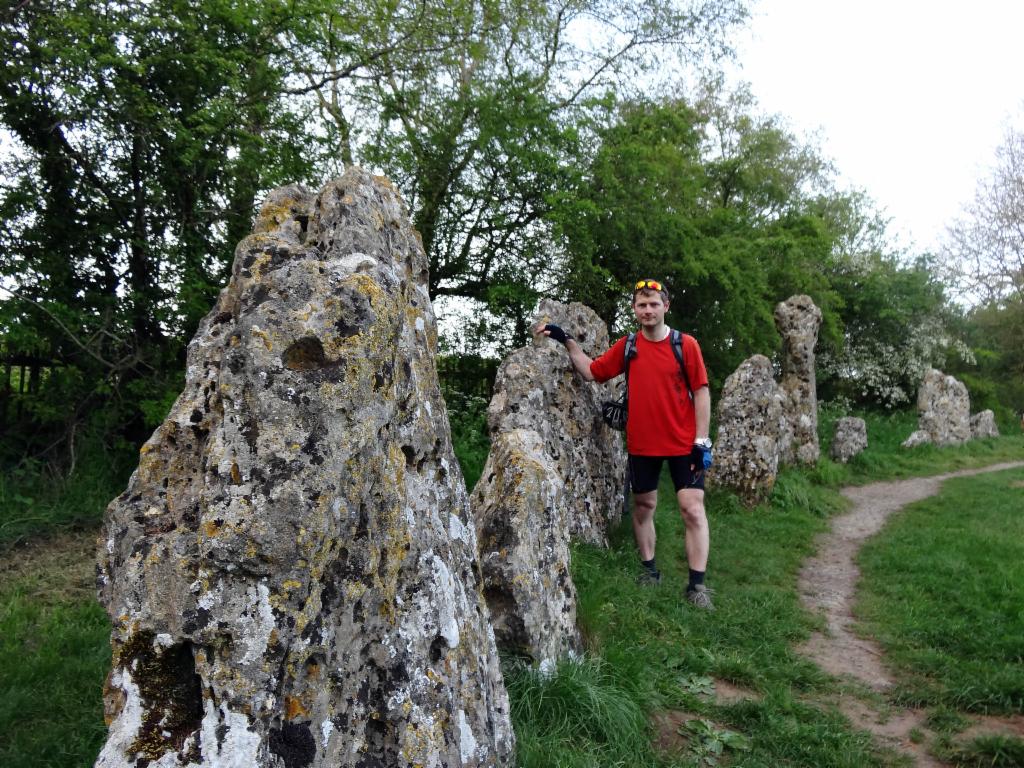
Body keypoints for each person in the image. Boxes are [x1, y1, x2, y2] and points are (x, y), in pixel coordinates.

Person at [533, 279, 715, 610]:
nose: (648, 310)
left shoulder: (685, 345)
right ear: (635, 309)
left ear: (665, 307)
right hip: (642, 444)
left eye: (653, 304)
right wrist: (566, 339)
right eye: (642, 305)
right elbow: (591, 371)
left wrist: (702, 440)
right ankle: (649, 571)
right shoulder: (629, 346)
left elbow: (701, 391)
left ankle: (697, 585)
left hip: (683, 444)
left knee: (692, 509)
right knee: (643, 507)